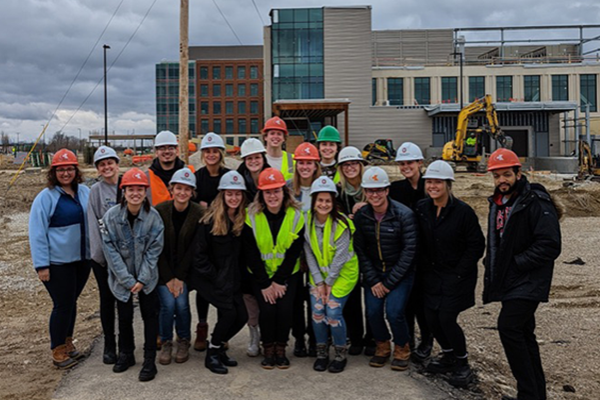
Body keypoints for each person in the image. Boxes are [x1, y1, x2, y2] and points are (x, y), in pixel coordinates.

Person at [483, 149, 562, 400]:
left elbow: (550, 244)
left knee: (508, 328)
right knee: (524, 335)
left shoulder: (535, 201)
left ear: (519, 172)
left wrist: (516, 264)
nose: (501, 181)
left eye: (506, 174)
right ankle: (534, 394)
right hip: (511, 280)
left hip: (528, 280)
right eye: (497, 177)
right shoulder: (499, 202)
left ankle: (528, 394)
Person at [414, 160, 485, 387]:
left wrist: (459, 273)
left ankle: (462, 363)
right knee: (430, 317)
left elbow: (476, 245)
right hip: (431, 275)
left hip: (456, 276)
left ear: (448, 184)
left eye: (437, 182)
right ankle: (448, 355)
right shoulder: (422, 208)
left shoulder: (463, 212)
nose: (433, 186)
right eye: (429, 182)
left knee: (446, 317)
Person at [100, 168, 164, 382]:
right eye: (131, 189)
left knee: (149, 315)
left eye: (140, 189)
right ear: (123, 192)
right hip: (121, 279)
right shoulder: (111, 218)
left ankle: (149, 359)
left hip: (147, 278)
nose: (135, 193)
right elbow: (110, 251)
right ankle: (126, 353)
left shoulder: (154, 218)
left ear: (145, 192)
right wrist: (127, 281)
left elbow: (154, 251)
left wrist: (142, 279)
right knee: (125, 316)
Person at [29, 148, 91, 369]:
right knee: (62, 305)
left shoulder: (84, 192)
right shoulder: (46, 198)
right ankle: (57, 351)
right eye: (61, 169)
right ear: (53, 172)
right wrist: (41, 265)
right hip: (58, 263)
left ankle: (67, 343)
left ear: (76, 170)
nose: (66, 173)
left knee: (71, 303)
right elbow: (37, 233)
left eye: (69, 169)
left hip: (82, 260)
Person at [353, 166, 418, 371]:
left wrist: (389, 283)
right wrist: (373, 280)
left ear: (387, 190)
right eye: (370, 190)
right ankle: (382, 346)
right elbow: (360, 250)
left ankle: (402, 346)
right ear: (364, 191)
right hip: (375, 273)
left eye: (379, 190)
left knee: (394, 311)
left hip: (399, 274)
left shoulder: (404, 215)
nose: (375, 195)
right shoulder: (362, 216)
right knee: (372, 312)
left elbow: (409, 251)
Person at [244, 168, 305, 369]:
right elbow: (250, 253)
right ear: (261, 194)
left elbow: (294, 253)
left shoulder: (296, 216)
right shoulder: (250, 216)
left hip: (287, 274)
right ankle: (268, 348)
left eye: (276, 191)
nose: (272, 196)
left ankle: (281, 348)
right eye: (267, 192)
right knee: (267, 311)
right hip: (260, 276)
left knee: (285, 310)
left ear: (284, 192)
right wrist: (265, 283)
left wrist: (279, 281)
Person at [191, 171, 250, 374]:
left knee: (242, 315)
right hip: (209, 279)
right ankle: (213, 353)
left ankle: (219, 343)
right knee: (229, 313)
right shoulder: (208, 222)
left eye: (237, 194)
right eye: (229, 194)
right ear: (222, 195)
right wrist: (216, 279)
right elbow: (199, 257)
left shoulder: (243, 221)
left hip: (231, 279)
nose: (233, 198)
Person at [304, 177, 359, 373]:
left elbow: (341, 256)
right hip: (319, 276)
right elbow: (308, 252)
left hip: (342, 274)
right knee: (318, 312)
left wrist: (328, 283)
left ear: (333, 202)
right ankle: (321, 353)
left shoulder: (342, 223)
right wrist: (319, 282)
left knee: (333, 312)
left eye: (328, 201)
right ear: (314, 201)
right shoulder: (307, 221)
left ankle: (339, 353)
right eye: (320, 200)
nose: (324, 204)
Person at [388, 142, 434, 363]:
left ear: (420, 163)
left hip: (427, 254)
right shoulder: (397, 189)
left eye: (410, 163)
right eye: (402, 163)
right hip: (404, 253)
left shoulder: (431, 186)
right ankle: (408, 341)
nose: (406, 167)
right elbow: (380, 202)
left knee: (424, 304)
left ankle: (427, 340)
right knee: (406, 302)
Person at [155, 168, 203, 366]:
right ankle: (166, 340)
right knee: (167, 305)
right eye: (179, 188)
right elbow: (156, 247)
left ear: (192, 192)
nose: (182, 193)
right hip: (163, 270)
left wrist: (180, 277)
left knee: (181, 304)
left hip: (185, 271)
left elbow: (195, 248)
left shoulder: (199, 213)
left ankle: (183, 339)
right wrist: (168, 277)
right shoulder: (160, 211)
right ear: (171, 189)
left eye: (187, 189)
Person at [192, 132, 230, 351]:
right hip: (203, 240)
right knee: (203, 287)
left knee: (226, 285)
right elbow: (192, 205)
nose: (211, 155)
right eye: (207, 151)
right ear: (203, 154)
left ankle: (222, 332)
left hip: (224, 239)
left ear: (221, 153)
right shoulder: (197, 178)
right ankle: (202, 326)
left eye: (215, 151)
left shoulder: (229, 175)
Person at [335, 146, 373, 356]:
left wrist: (364, 207)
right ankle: (356, 337)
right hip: (348, 250)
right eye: (346, 164)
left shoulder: (371, 187)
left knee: (371, 297)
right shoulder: (338, 191)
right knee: (350, 296)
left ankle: (373, 338)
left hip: (370, 248)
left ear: (361, 166)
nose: (350, 168)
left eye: (354, 164)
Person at [236, 138, 271, 357]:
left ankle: (269, 337)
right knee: (248, 293)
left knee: (266, 293)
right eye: (249, 158)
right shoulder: (240, 180)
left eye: (257, 157)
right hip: (245, 240)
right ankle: (254, 334)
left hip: (269, 242)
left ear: (263, 158)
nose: (253, 161)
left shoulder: (271, 178)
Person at [287, 142, 321, 357]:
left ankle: (316, 338)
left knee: (315, 298)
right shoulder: (289, 188)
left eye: (309, 163)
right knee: (296, 299)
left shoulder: (324, 187)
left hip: (318, 252)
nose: (305, 167)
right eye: (301, 163)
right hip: (295, 251)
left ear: (316, 165)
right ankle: (299, 337)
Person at [87, 146, 120, 365]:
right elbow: (93, 225)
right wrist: (99, 256)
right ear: (98, 169)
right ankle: (110, 344)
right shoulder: (96, 192)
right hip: (104, 258)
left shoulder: (128, 186)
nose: (106, 167)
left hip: (128, 257)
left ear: (117, 164)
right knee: (107, 300)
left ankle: (127, 343)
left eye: (110, 163)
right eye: (102, 164)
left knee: (125, 301)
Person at [147, 130, 195, 206]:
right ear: (156, 152)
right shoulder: (147, 177)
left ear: (177, 150)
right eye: (162, 148)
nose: (166, 151)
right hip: (154, 217)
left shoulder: (190, 173)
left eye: (170, 148)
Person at [262, 116, 294, 180]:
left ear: (284, 138)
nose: (275, 136)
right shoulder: (259, 160)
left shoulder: (293, 160)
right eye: (272, 133)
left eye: (279, 134)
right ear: (265, 137)